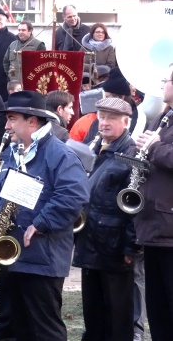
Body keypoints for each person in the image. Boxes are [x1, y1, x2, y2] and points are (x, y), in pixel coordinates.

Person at [0, 91, 89, 341]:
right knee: (19, 329)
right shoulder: (14, 153)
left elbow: (74, 194)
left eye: (12, 118)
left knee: (45, 330)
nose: (6, 126)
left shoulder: (60, 154)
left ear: (33, 121)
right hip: (14, 258)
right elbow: (1, 199)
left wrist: (41, 223)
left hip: (43, 259)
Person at [72, 97, 138, 341]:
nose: (104, 123)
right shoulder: (95, 146)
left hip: (114, 246)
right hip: (91, 240)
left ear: (126, 122)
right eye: (101, 117)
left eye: (111, 118)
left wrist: (131, 246)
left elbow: (135, 204)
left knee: (117, 315)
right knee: (93, 311)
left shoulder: (130, 154)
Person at [133, 64, 173, 341]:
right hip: (155, 225)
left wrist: (156, 146)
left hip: (170, 226)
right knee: (158, 309)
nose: (162, 85)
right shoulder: (165, 117)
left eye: (167, 80)